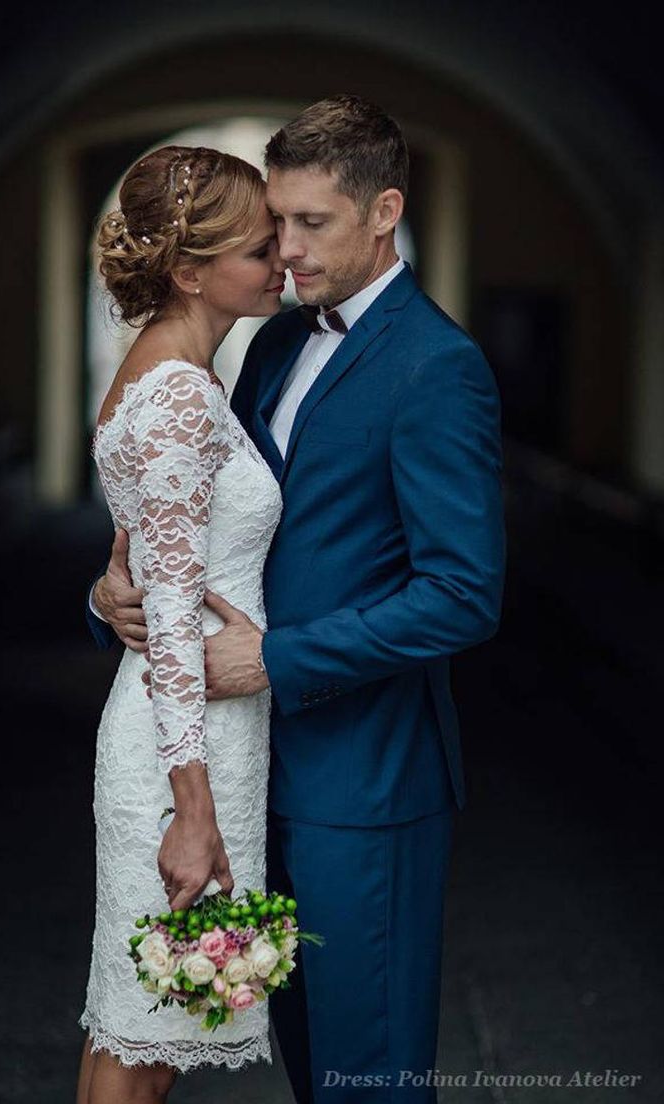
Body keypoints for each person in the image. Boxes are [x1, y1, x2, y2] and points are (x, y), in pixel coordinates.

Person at [92, 95, 506, 1103]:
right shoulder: (268, 342)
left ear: (384, 212)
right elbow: (208, 523)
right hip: (246, 775)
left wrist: (271, 661)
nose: (285, 249)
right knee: (297, 1058)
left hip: (363, 789)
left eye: (311, 222)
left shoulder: (437, 367)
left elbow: (461, 595)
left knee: (368, 1074)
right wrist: (115, 587)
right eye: (275, 222)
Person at [77, 144, 286, 1104]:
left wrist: (101, 591)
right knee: (147, 1041)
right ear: (191, 271)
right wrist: (193, 815)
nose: (281, 257)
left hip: (205, 733)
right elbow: (165, 616)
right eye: (258, 246)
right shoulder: (173, 397)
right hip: (181, 756)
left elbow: (143, 567)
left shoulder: (179, 376)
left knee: (149, 1024)